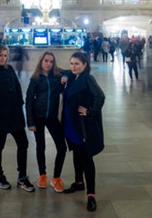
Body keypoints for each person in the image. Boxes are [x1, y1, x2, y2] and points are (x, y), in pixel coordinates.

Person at [0, 44, 35, 193]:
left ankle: (22, 176)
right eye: (0, 55)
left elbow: (17, 87)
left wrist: (19, 103)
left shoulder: (9, 69)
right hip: (0, 116)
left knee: (23, 143)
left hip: (15, 114)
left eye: (5, 56)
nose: (3, 58)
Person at [61, 51, 105, 212]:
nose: (73, 67)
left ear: (85, 65)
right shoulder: (73, 77)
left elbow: (100, 97)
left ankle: (91, 194)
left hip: (81, 126)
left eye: (77, 64)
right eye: (71, 63)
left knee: (86, 158)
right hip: (70, 124)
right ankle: (79, 182)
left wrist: (90, 111)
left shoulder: (87, 79)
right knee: (76, 154)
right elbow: (65, 72)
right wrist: (65, 75)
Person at [25, 51, 67, 192]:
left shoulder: (57, 75)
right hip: (38, 117)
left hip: (52, 117)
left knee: (62, 147)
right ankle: (42, 175)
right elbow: (29, 100)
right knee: (40, 146)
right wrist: (30, 122)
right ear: (41, 61)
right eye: (46, 61)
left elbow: (70, 72)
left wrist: (66, 77)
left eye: (51, 61)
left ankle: (56, 177)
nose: (48, 64)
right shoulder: (35, 78)